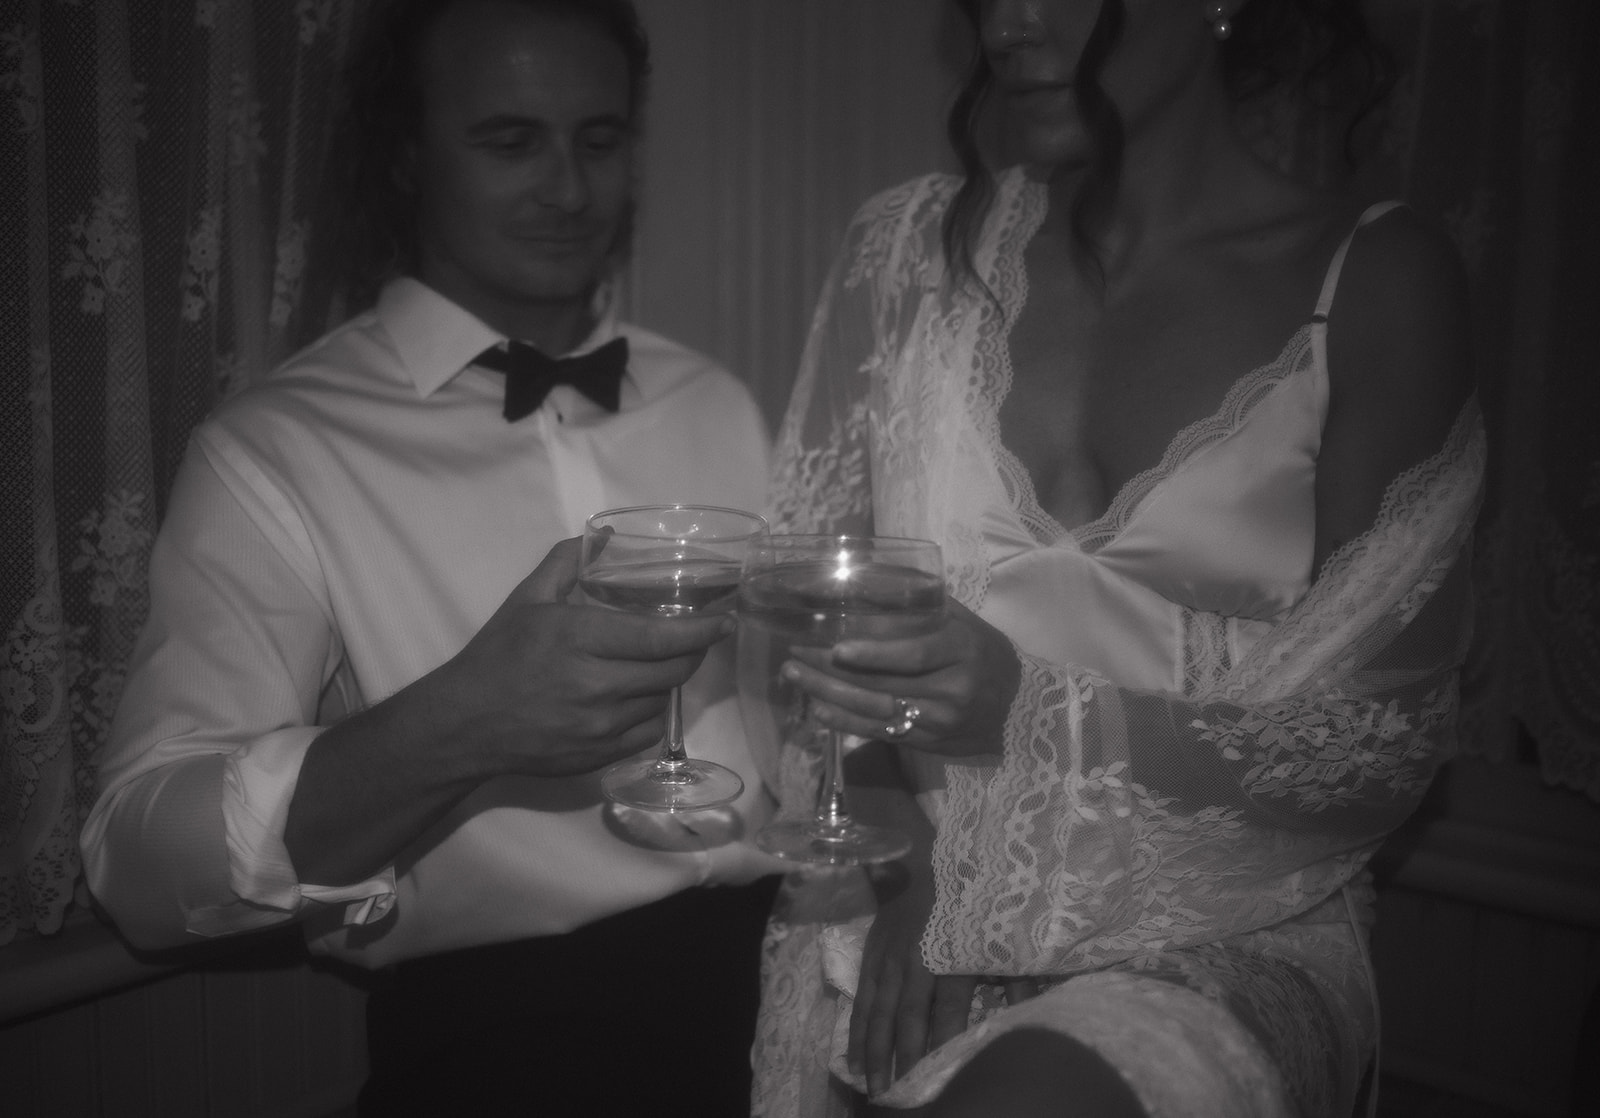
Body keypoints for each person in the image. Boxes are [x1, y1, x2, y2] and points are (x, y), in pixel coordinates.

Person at [747, 1, 1483, 1116]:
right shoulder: (902, 251)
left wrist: (1023, 722)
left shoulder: (1381, 279)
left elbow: (1373, 736)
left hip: (1225, 930)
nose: (1013, 23)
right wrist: (907, 856)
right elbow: (811, 596)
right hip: (900, 890)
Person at [79, 1, 783, 1114]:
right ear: (404, 159)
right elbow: (138, 863)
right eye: (509, 141)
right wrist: (460, 720)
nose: (565, 187)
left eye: (597, 140)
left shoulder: (721, 402)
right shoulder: (279, 448)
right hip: (511, 1045)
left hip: (792, 990)